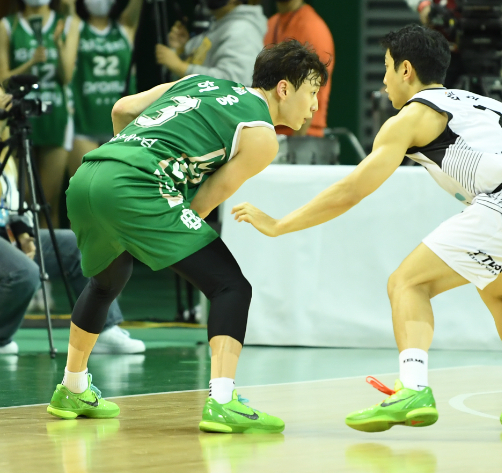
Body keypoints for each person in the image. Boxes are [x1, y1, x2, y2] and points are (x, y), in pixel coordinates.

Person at [231, 25, 502, 433]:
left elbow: (352, 190)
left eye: (388, 68)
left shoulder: (410, 118)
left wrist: (282, 224)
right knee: (497, 290)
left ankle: (412, 387)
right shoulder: (491, 106)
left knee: (406, 283)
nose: (384, 80)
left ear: (407, 70)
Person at [45, 40, 327, 434]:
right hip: (135, 185)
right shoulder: (262, 136)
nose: (314, 105)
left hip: (90, 175)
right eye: (312, 92)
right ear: (284, 88)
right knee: (230, 286)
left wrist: (126, 175)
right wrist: (150, 214)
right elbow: (203, 203)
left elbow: (122, 108)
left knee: (107, 281)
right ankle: (223, 401)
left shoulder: (201, 81)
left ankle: (73, 386)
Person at [0, 88, 144, 356]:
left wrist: (23, 232)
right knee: (24, 273)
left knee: (77, 246)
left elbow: (11, 200)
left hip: (5, 232)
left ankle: (102, 330)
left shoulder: (8, 146)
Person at [0, 0, 80, 228]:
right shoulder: (7, 25)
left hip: (55, 116)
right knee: (21, 197)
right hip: (18, 115)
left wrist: (57, 43)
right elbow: (3, 78)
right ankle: (25, 252)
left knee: (48, 200)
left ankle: (49, 260)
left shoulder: (67, 24)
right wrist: (30, 62)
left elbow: (66, 78)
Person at [67, 0, 143, 178]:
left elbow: (136, 5)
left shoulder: (125, 27)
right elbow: (67, 7)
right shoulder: (76, 27)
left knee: (113, 195)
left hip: (121, 128)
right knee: (83, 191)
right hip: (83, 125)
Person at [155, 0, 266, 85]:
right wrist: (183, 50)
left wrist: (180, 67)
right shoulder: (220, 25)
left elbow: (235, 83)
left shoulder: (242, 30)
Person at [266, 0, 334, 137]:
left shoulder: (312, 27)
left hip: (300, 136)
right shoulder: (271, 23)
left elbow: (313, 90)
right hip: (270, 131)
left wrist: (296, 143)